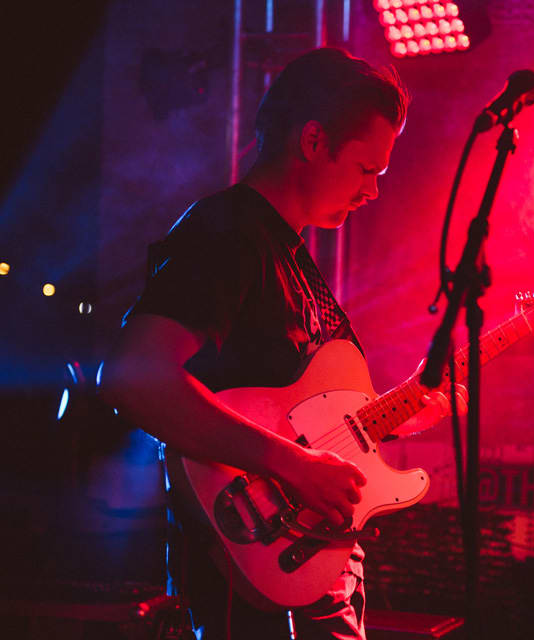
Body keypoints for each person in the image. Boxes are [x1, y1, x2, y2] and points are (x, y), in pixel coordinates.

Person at [103, 47, 463, 640]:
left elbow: (294, 416)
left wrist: (400, 416)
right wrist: (290, 465)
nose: (373, 191)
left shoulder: (292, 256)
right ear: (314, 141)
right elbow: (134, 374)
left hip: (314, 571)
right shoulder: (230, 233)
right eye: (367, 169)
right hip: (249, 577)